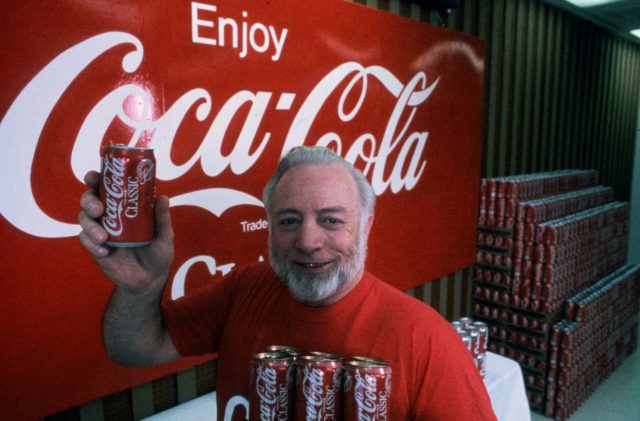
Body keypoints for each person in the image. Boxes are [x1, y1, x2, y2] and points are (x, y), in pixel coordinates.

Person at [79, 146, 497, 420]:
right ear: (270, 226)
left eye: (332, 220)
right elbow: (132, 350)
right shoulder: (247, 288)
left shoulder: (426, 341)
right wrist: (141, 288)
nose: (308, 242)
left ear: (367, 224)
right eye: (289, 221)